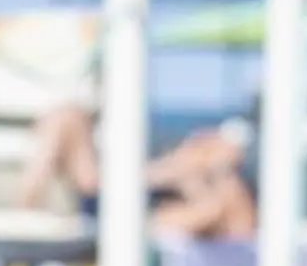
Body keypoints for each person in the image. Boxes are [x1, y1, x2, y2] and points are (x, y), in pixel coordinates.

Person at [21, 101, 258, 239]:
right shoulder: (198, 180)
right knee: (65, 116)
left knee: (66, 119)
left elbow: (237, 227)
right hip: (122, 200)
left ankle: (28, 204)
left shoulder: (221, 199)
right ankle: (28, 203)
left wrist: (197, 172)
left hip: (130, 218)